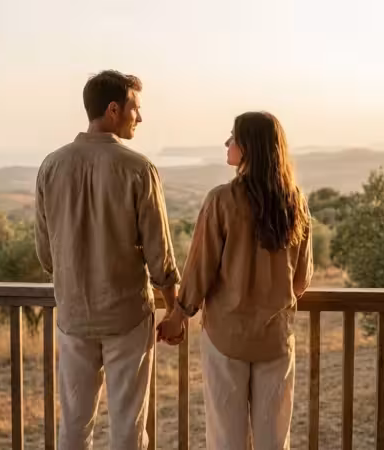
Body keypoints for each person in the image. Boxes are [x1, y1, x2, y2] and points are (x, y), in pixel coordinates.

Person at [35, 70, 180, 450]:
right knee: (128, 426)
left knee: (74, 425)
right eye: (136, 108)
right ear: (114, 109)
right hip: (127, 317)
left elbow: (46, 255)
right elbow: (160, 256)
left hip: (73, 316)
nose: (140, 118)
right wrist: (175, 310)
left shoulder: (51, 167)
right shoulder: (138, 169)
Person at [158, 111, 313, 450]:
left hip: (225, 338)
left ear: (250, 147)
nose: (227, 143)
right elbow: (302, 280)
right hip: (275, 338)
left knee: (226, 438)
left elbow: (200, 268)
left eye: (233, 137)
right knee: (274, 438)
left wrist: (178, 315)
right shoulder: (295, 203)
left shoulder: (222, 200)